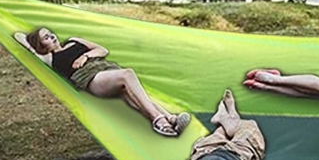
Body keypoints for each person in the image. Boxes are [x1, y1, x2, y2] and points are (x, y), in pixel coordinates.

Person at [14, 28, 190, 138]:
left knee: (134, 96)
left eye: (49, 33)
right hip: (92, 78)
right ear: (41, 45)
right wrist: (33, 44)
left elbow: (102, 50)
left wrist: (85, 56)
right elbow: (19, 36)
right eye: (45, 37)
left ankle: (169, 121)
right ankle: (159, 119)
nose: (51, 36)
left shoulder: (74, 40)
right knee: (127, 74)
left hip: (107, 69)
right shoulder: (49, 58)